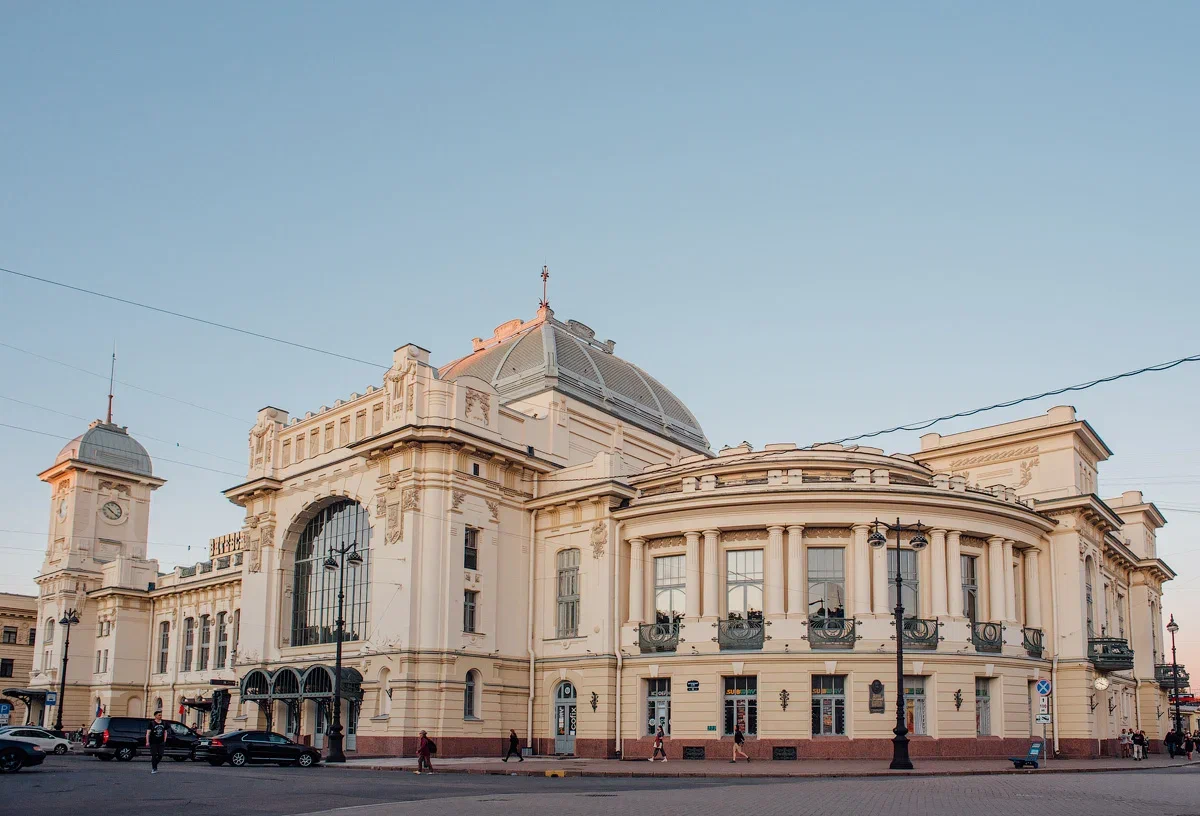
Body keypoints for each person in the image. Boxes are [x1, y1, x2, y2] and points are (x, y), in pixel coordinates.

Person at [146, 710, 168, 774]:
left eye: (161, 715)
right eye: (159, 715)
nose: (160, 716)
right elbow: (148, 733)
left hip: (161, 742)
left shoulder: (164, 723)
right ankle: (154, 768)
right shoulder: (152, 723)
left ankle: (154, 764)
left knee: (161, 755)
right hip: (153, 742)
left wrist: (164, 740)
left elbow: (165, 732)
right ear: (155, 716)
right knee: (154, 755)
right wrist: (147, 741)